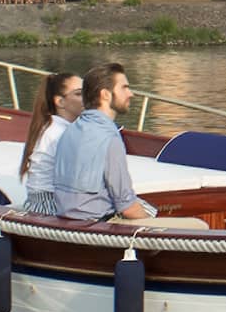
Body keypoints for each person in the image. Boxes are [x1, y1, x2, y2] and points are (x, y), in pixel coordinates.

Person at [52, 62, 208, 228]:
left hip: (69, 219)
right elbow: (127, 208)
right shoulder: (108, 137)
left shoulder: (71, 130)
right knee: (198, 226)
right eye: (124, 88)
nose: (131, 94)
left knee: (148, 209)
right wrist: (152, 224)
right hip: (99, 225)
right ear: (105, 94)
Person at [19, 69, 83, 216]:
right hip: (52, 205)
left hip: (38, 202)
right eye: (79, 94)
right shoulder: (60, 133)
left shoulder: (53, 125)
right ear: (60, 102)